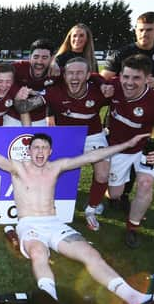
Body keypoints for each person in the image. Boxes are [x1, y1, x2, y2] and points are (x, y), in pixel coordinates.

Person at [0, 128, 154, 304]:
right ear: (29, 151)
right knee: (38, 253)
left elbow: (91, 156)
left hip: (54, 224)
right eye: (36, 147)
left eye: (45, 147)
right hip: (29, 225)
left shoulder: (55, 167)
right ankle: (49, 299)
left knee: (91, 255)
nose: (40, 151)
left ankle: (133, 298)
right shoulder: (18, 168)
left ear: (50, 152)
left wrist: (126, 145)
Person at [105, 54, 154, 248]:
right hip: (118, 148)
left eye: (136, 78)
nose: (129, 83)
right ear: (120, 75)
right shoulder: (113, 86)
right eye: (126, 77)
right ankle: (114, 196)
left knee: (145, 183)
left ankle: (133, 228)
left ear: (147, 79)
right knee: (115, 194)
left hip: (145, 148)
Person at [29, 57, 112, 230]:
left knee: (103, 173)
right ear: (64, 75)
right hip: (66, 136)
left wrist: (102, 81)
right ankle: (50, 208)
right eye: (71, 73)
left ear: (88, 75)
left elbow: (122, 88)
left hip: (93, 135)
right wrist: (24, 96)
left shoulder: (99, 90)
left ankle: (92, 209)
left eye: (80, 73)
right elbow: (26, 106)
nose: (75, 77)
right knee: (56, 173)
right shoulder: (54, 90)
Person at [101, 11, 154, 94]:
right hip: (123, 104)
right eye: (141, 30)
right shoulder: (120, 54)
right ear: (135, 30)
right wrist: (108, 88)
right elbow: (101, 82)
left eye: (149, 30)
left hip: (149, 104)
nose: (144, 34)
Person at [6, 39, 61, 126]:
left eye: (44, 58)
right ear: (30, 57)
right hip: (13, 117)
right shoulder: (17, 68)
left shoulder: (56, 73)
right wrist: (15, 92)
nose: (39, 62)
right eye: (36, 57)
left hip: (42, 119)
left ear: (51, 59)